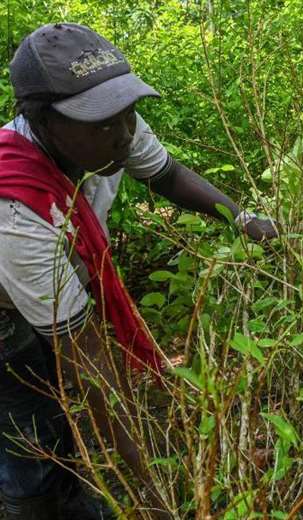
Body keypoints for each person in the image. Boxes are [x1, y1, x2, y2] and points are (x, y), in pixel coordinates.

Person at [0, 23, 276, 519]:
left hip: (49, 291)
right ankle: (34, 502)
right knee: (30, 424)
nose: (125, 133)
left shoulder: (113, 127)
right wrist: (155, 489)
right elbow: (89, 364)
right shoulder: (15, 212)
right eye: (102, 122)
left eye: (127, 113)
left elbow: (167, 175)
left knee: (59, 414)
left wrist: (245, 221)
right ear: (42, 121)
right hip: (3, 310)